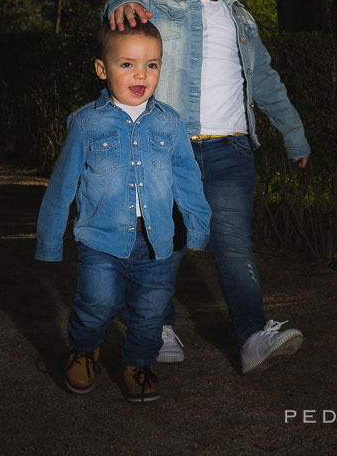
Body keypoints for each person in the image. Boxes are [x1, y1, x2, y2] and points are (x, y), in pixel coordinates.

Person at [105, 0, 310, 375]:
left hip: (231, 150)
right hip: (169, 150)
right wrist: (121, 4)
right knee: (166, 240)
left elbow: (265, 80)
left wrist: (294, 133)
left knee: (235, 243)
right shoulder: (149, 4)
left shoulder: (236, 15)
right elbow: (115, 8)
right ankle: (155, 325)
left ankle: (253, 334)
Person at [35, 22, 212, 402]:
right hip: (100, 239)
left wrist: (197, 228)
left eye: (151, 65)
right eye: (128, 64)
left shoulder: (170, 122)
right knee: (96, 302)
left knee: (150, 311)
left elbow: (188, 179)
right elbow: (62, 185)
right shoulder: (87, 123)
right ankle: (83, 350)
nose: (141, 75)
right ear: (102, 69)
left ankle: (139, 363)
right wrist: (49, 240)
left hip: (156, 242)